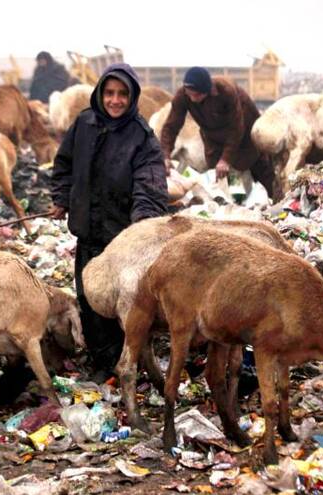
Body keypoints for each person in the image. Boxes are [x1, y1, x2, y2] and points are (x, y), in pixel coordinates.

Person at [50, 63, 168, 380]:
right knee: (89, 300)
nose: (115, 100)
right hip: (88, 233)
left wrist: (141, 227)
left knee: (122, 305)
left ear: (132, 97)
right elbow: (64, 164)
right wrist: (61, 198)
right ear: (101, 93)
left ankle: (125, 362)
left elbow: (151, 188)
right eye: (110, 93)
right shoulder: (85, 124)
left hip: (120, 242)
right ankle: (102, 363)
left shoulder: (142, 138)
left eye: (122, 94)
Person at [160, 66, 276, 198]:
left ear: (207, 91)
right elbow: (171, 126)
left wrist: (226, 159)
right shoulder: (183, 95)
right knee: (218, 180)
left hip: (245, 133)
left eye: (196, 95)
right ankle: (224, 207)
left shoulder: (226, 91)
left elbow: (236, 128)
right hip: (213, 137)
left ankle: (271, 203)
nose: (192, 99)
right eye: (189, 94)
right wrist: (165, 155)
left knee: (260, 169)